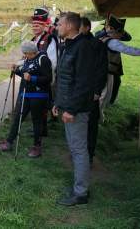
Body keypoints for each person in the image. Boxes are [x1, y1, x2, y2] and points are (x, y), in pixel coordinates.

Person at [52, 12, 94, 206]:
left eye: (59, 24)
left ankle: (81, 193)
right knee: (75, 148)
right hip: (67, 106)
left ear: (69, 26)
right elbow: (64, 78)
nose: (57, 27)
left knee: (78, 150)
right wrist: (58, 104)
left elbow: (83, 83)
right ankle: (79, 187)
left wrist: (71, 109)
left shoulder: (82, 47)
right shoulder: (69, 46)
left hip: (76, 109)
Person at [0, 41, 52, 158]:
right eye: (24, 53)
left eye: (26, 53)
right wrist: (16, 71)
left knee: (37, 121)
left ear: (32, 51)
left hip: (39, 95)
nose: (25, 55)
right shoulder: (28, 59)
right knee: (18, 117)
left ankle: (37, 147)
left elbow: (48, 78)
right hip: (26, 93)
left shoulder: (43, 59)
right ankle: (9, 142)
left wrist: (33, 78)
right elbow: (25, 75)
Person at [96, 14, 140, 106]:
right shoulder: (112, 42)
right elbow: (130, 50)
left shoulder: (103, 37)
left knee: (103, 95)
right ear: (114, 31)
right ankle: (98, 116)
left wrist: (109, 31)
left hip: (103, 70)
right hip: (106, 71)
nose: (121, 35)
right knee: (103, 96)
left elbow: (127, 37)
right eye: (120, 33)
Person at [79, 17, 107, 165]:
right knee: (78, 124)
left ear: (88, 28)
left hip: (91, 92)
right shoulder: (76, 43)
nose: (78, 30)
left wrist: (97, 90)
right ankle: (79, 153)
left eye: (80, 27)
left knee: (91, 125)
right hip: (78, 92)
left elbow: (102, 69)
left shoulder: (97, 45)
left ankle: (89, 154)